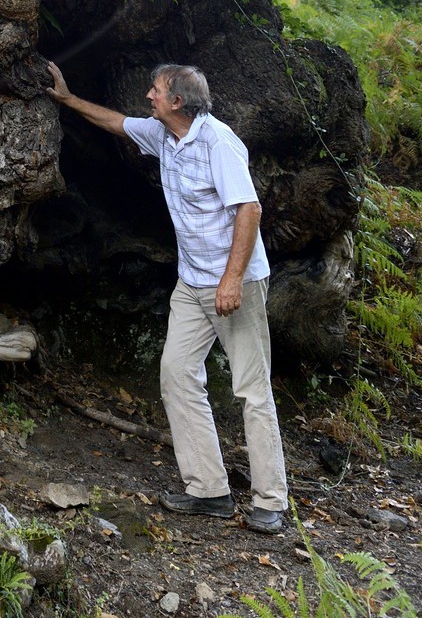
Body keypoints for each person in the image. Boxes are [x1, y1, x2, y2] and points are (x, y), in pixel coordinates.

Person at [46, 58, 288, 535]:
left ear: (177, 101)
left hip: (234, 282)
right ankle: (209, 491)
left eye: (155, 90)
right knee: (176, 375)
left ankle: (270, 499)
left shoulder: (218, 142)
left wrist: (232, 280)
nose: (149, 96)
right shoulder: (164, 135)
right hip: (192, 282)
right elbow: (115, 123)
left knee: (251, 389)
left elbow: (249, 209)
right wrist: (67, 98)